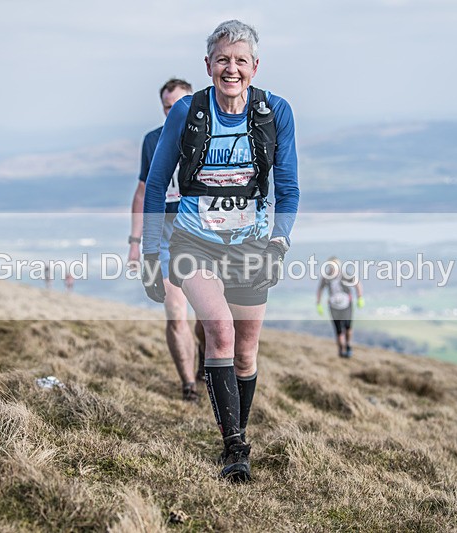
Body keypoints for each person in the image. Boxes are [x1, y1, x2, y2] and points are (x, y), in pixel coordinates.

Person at [141, 20, 299, 483]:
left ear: (255, 67)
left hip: (250, 245)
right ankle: (234, 448)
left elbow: (287, 189)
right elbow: (155, 184)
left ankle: (237, 428)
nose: (232, 68)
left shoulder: (275, 112)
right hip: (193, 242)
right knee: (220, 332)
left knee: (247, 353)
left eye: (241, 60)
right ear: (208, 65)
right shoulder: (186, 112)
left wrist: (279, 242)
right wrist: (153, 253)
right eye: (223, 60)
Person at [128, 78, 206, 403]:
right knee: (176, 312)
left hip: (201, 236)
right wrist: (135, 242)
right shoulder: (152, 141)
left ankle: (205, 356)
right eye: (167, 107)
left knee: (207, 319)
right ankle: (188, 384)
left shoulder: (209, 137)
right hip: (163, 236)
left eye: (180, 105)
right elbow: (143, 192)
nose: (174, 112)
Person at [316, 257, 364, 358]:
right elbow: (320, 289)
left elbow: (357, 283)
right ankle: (341, 350)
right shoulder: (326, 278)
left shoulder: (344, 275)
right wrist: (318, 303)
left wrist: (360, 297)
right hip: (334, 306)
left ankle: (348, 345)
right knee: (338, 330)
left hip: (347, 305)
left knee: (348, 328)